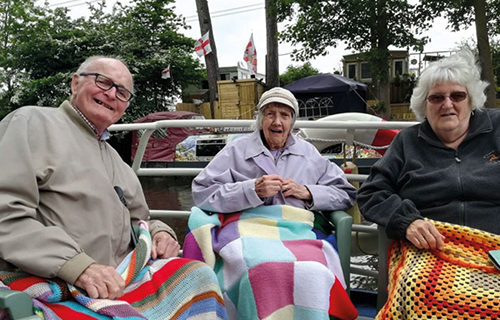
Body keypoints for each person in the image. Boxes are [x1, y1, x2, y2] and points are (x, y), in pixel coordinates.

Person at [0, 56, 226, 319]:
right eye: (103, 82)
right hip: (57, 278)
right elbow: (7, 214)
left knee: (199, 276)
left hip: (119, 277)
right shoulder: (30, 123)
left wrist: (162, 232)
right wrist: (79, 267)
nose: (111, 94)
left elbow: (141, 220)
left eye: (122, 92)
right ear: (75, 83)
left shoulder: (116, 160)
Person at [186, 87, 358, 320]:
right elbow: (201, 191)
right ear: (260, 120)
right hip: (246, 226)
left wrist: (307, 192)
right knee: (254, 267)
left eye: (284, 115)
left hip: (295, 230)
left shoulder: (308, 153)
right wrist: (251, 190)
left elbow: (346, 192)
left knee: (313, 270)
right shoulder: (237, 150)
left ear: (292, 122)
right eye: (270, 114)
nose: (277, 121)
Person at [357, 48, 499, 251]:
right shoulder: (407, 141)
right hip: (431, 251)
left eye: (457, 95)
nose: (447, 104)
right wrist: (407, 221)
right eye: (437, 98)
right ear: (424, 105)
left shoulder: (497, 128)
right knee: (424, 284)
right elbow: (372, 192)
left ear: (471, 101)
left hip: (495, 246)